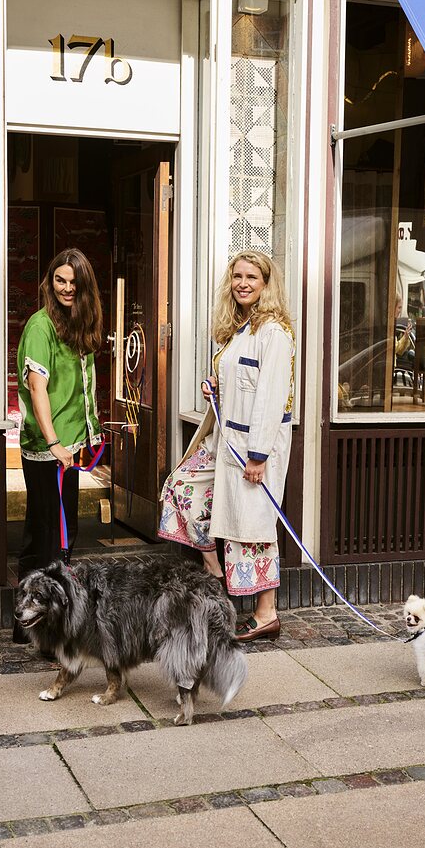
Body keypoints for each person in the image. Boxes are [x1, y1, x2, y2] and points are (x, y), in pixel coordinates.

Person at [159, 250, 295, 642]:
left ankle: (266, 614)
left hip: (254, 446)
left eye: (252, 277)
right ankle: (215, 573)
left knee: (252, 525)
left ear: (266, 284)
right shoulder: (241, 328)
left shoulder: (274, 333)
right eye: (237, 276)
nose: (243, 283)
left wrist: (258, 456)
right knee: (181, 487)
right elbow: (242, 382)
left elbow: (270, 398)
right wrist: (215, 388)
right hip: (224, 439)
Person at [12, 248, 103, 644]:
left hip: (70, 447)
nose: (66, 288)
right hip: (48, 449)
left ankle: (39, 627)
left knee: (61, 534)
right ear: (49, 282)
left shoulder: (78, 323)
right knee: (47, 537)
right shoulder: (41, 325)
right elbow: (38, 389)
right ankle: (35, 626)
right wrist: (53, 443)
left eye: (73, 282)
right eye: (59, 280)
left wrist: (87, 436)